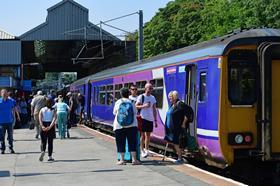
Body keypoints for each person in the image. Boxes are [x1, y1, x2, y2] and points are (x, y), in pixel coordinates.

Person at [113, 88, 141, 165]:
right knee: (132, 142)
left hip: (119, 125)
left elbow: (115, 112)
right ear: (128, 94)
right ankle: (134, 160)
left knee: (120, 142)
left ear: (121, 94)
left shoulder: (118, 102)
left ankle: (122, 160)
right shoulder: (132, 102)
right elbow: (135, 112)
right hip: (132, 125)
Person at [164, 91, 191, 164]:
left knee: (176, 143)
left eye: (171, 97)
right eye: (169, 97)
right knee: (174, 142)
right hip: (170, 128)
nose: (169, 98)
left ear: (175, 97)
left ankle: (180, 158)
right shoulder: (172, 105)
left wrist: (184, 123)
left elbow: (188, 113)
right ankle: (179, 157)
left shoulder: (180, 104)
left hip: (177, 128)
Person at [136, 83, 157, 158]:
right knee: (142, 135)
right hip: (143, 118)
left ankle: (146, 150)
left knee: (148, 135)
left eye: (151, 88)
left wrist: (155, 120)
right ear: (145, 89)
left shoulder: (153, 98)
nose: (150, 90)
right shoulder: (141, 97)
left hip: (150, 119)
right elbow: (136, 106)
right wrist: (144, 106)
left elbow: (154, 109)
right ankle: (142, 150)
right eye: (149, 88)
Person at [0, 89, 20, 154]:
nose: (4, 94)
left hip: (9, 121)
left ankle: (11, 148)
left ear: (7, 94)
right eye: (3, 93)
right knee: (2, 136)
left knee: (10, 136)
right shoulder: (0, 101)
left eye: (5, 93)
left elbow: (14, 108)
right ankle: (2, 149)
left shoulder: (11, 101)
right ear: (1, 94)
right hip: (1, 122)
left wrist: (18, 116)